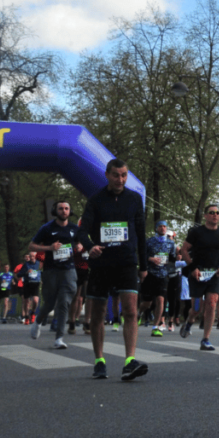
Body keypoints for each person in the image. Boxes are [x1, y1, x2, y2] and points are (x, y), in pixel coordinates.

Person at [78, 158, 149, 381]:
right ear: (107, 175)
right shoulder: (96, 200)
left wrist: (144, 265)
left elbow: (140, 233)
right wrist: (91, 247)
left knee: (130, 310)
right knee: (98, 313)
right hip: (102, 263)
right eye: (116, 175)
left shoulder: (135, 199)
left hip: (127, 261)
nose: (120, 179)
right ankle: (99, 361)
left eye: (124, 175)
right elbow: (81, 233)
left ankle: (130, 361)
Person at [29, 200, 85, 349]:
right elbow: (32, 245)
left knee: (64, 302)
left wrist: (79, 246)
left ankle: (59, 338)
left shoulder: (74, 228)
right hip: (51, 270)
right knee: (49, 303)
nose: (64, 211)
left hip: (69, 270)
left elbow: (80, 243)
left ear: (70, 211)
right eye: (61, 208)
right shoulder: (47, 228)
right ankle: (38, 321)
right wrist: (49, 247)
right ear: (56, 211)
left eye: (67, 208)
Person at [178, 204, 219, 351]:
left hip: (214, 274)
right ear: (206, 216)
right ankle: (189, 322)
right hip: (198, 274)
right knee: (196, 308)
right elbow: (184, 249)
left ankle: (205, 339)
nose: (215, 215)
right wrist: (192, 267)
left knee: (212, 304)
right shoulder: (196, 232)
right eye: (211, 212)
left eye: (217, 212)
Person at [139, 220, 176, 338]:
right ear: (156, 228)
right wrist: (151, 259)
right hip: (150, 273)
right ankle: (139, 313)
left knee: (161, 300)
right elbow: (142, 255)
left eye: (165, 226)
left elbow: (172, 258)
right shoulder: (149, 241)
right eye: (160, 226)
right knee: (147, 302)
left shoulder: (171, 243)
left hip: (163, 274)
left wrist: (177, 258)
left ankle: (156, 326)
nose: (163, 228)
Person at [70, 244, 90, 335]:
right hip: (77, 271)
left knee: (87, 296)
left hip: (87, 271)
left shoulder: (88, 245)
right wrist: (78, 250)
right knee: (76, 297)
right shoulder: (74, 247)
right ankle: (72, 321)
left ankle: (87, 322)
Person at [18, 252, 42, 325]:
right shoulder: (26, 264)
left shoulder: (39, 264)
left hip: (36, 284)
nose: (32, 257)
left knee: (35, 301)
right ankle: (26, 317)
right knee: (26, 301)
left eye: (33, 256)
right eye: (31, 256)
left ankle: (33, 313)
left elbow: (43, 272)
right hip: (27, 284)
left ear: (36, 256)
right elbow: (19, 274)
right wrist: (26, 272)